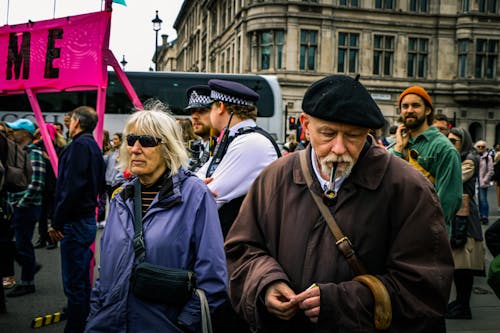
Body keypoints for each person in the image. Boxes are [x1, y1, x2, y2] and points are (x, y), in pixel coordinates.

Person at [224, 75, 455, 332]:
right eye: (328, 133)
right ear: (306, 125)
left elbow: (426, 284)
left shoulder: (407, 187)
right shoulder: (275, 177)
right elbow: (241, 249)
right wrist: (265, 282)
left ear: (369, 132)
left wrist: (341, 303)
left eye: (353, 135)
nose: (339, 148)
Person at [84, 102, 228, 333]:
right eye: (131, 140)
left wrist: (183, 324)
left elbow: (213, 279)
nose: (135, 148)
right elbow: (105, 274)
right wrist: (95, 316)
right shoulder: (122, 198)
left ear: (168, 148)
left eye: (147, 141)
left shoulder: (195, 196)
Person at [196, 79, 281, 237]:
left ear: (221, 107)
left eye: (211, 107)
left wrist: (196, 186)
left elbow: (208, 197)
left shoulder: (251, 142)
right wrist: (196, 185)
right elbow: (200, 177)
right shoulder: (237, 138)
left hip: (242, 248)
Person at [49, 106, 105, 333]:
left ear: (77, 122)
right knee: (81, 279)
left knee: (75, 283)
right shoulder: (93, 147)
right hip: (85, 219)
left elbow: (69, 189)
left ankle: (76, 327)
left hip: (75, 221)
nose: (67, 123)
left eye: (70, 119)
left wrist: (57, 222)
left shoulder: (79, 147)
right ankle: (81, 322)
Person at [389, 85, 462, 232]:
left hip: (428, 234)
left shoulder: (444, 148)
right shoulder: (397, 144)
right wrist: (397, 149)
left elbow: (448, 202)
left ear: (428, 110)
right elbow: (385, 182)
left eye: (415, 105)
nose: (409, 110)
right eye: (405, 106)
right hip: (398, 233)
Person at [446, 128, 485, 319]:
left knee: (463, 265)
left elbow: (454, 179)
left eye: (454, 141)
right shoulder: (461, 157)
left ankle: (463, 306)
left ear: (464, 141)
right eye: (449, 140)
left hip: (465, 218)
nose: (450, 144)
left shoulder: (468, 159)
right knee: (457, 264)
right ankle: (459, 303)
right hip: (459, 215)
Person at [5, 119, 45, 297]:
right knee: (16, 243)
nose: (12, 132)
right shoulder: (19, 152)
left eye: (16, 130)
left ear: (26, 133)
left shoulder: (33, 153)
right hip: (18, 205)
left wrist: (20, 203)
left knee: (22, 244)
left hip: (26, 206)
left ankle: (27, 282)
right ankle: (29, 268)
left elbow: (37, 183)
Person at [184, 85, 218, 172]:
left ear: (215, 112)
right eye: (192, 111)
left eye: (202, 111)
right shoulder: (194, 147)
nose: (194, 116)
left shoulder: (222, 148)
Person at [474, 140, 494, 225]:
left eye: (482, 147)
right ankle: (478, 216)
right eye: (479, 146)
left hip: (482, 182)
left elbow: (490, 171)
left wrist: (485, 180)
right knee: (475, 200)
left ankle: (484, 216)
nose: (480, 148)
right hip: (474, 181)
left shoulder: (487, 157)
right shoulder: (473, 156)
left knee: (483, 200)